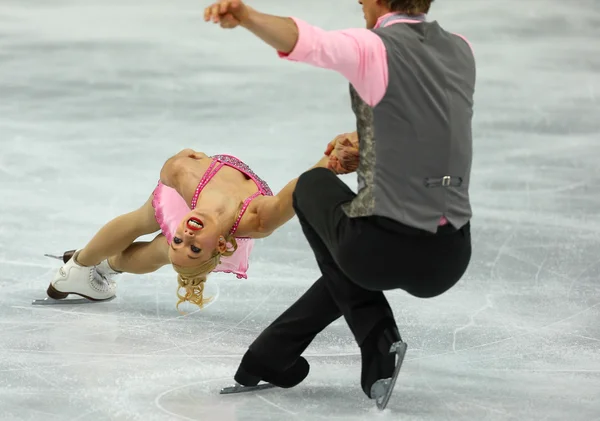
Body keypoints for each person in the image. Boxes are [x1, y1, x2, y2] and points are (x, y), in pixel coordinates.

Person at [203, 0, 476, 410]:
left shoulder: (374, 46)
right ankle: (270, 355)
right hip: (449, 256)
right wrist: (368, 145)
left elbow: (309, 41)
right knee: (344, 262)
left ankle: (378, 343)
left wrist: (247, 16)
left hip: (382, 248)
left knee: (312, 185)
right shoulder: (460, 48)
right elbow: (432, 128)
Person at [46, 148, 353, 309]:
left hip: (190, 193)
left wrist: (185, 156)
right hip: (204, 200)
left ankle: (92, 266)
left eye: (179, 239)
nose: (186, 237)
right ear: (221, 245)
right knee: (153, 236)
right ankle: (92, 266)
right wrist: (333, 157)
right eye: (194, 247)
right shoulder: (258, 219)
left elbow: (172, 167)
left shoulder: (185, 177)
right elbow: (301, 187)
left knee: (153, 239)